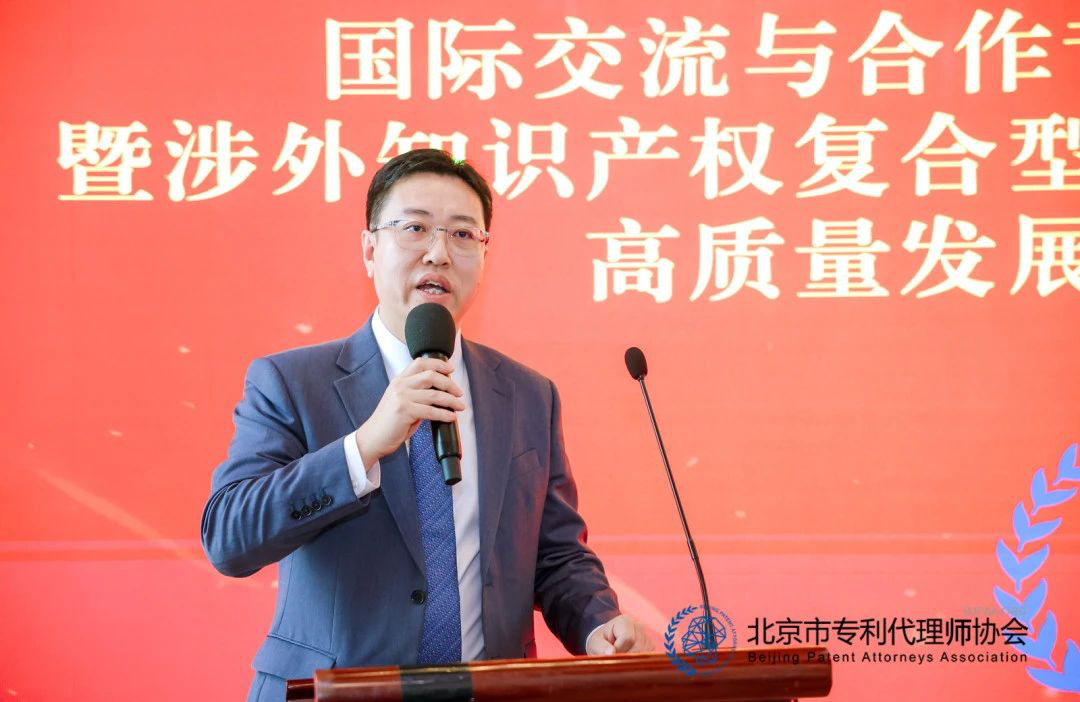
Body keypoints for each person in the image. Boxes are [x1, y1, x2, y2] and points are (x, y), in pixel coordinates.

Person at [201, 149, 653, 702]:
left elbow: (556, 555)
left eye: (462, 235)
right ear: (370, 248)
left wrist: (597, 623)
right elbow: (229, 538)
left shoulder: (529, 395)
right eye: (414, 228)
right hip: (337, 693)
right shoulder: (292, 382)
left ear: (484, 255)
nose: (438, 253)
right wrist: (364, 446)